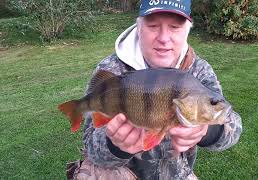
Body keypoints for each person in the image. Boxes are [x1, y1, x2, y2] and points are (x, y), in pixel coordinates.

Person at [72, 0, 242, 179]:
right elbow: (91, 149)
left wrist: (208, 131)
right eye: (153, 26)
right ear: (139, 27)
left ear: (187, 30)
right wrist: (115, 146)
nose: (163, 38)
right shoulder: (111, 70)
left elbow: (234, 127)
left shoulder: (198, 71)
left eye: (175, 27)